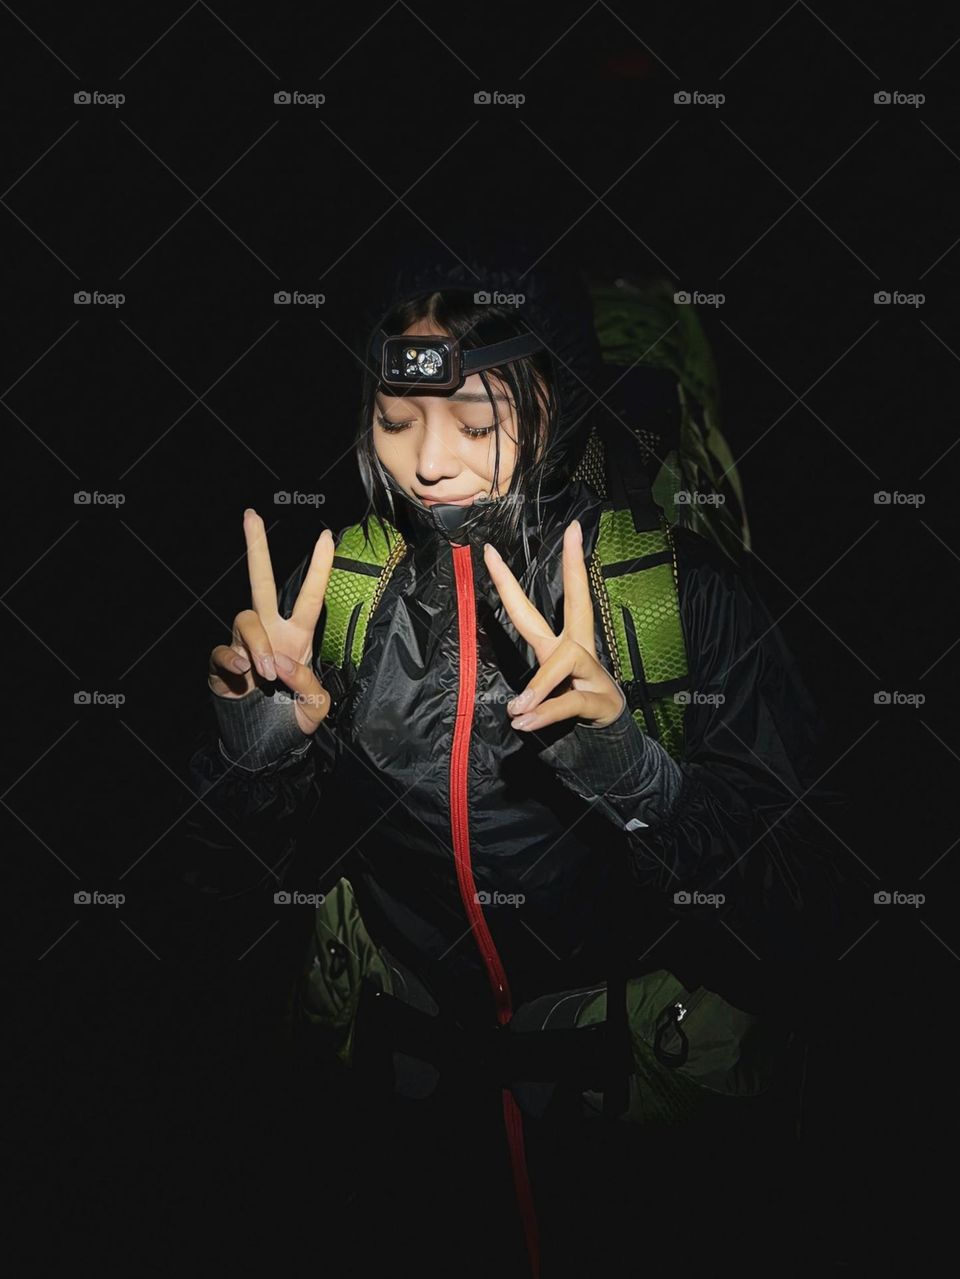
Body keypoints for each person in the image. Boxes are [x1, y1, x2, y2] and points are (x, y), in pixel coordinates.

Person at [187, 239, 854, 1277]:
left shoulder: (682, 603)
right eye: (397, 420)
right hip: (403, 1146)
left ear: (557, 401)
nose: (430, 460)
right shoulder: (342, 603)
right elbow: (223, 907)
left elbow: (812, 906)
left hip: (634, 1158)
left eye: (478, 421)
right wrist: (256, 759)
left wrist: (637, 775)